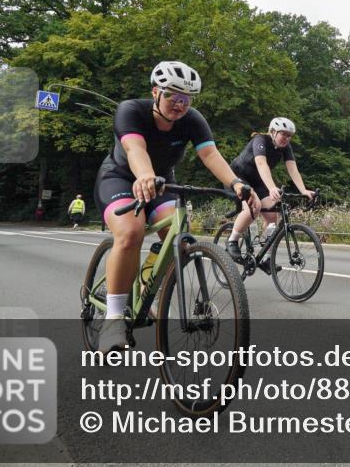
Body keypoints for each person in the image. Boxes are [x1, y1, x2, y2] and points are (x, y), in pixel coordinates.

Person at [93, 61, 259, 354]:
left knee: (179, 231)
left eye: (186, 99)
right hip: (120, 177)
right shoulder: (131, 110)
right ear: (155, 92)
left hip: (162, 182)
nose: (179, 104)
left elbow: (209, 154)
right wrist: (144, 175)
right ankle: (114, 317)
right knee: (131, 231)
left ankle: (148, 285)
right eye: (172, 96)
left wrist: (236, 183)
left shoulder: (193, 119)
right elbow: (135, 149)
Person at [225, 117, 315, 269]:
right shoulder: (260, 140)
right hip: (238, 177)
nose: (287, 138)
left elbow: (293, 169)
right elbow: (261, 164)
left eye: (289, 135)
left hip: (257, 181)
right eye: (283, 134)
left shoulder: (286, 147)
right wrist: (272, 187)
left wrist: (303, 190)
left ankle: (263, 257)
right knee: (255, 206)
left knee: (272, 215)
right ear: (273, 132)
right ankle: (232, 241)